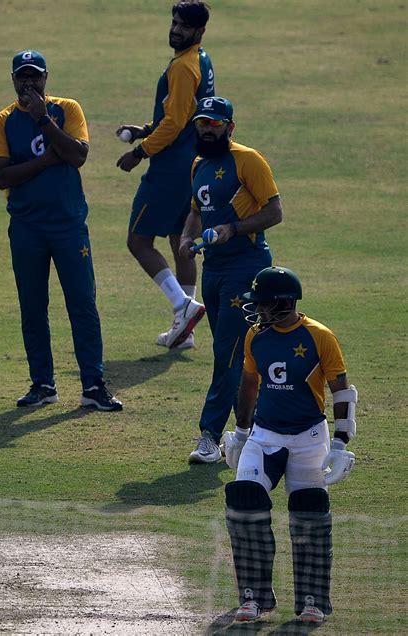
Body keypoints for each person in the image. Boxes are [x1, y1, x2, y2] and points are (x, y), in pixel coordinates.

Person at [0, 49, 122, 411]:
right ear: (13, 79)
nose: (28, 82)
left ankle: (93, 385)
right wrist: (47, 159)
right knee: (33, 306)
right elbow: (0, 175)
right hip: (27, 227)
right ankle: (43, 384)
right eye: (22, 76)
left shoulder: (67, 109)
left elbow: (78, 155)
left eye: (35, 76)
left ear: (46, 78)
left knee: (82, 304)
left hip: (68, 226)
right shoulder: (2, 122)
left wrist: (43, 120)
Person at [222, 266, 357, 624]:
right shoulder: (256, 336)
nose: (258, 311)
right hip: (264, 435)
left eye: (263, 305)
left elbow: (341, 390)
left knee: (309, 510)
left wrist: (341, 442)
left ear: (284, 303)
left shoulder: (320, 336)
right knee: (244, 499)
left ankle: (313, 600)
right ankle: (253, 597)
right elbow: (250, 384)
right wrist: (240, 431)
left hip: (309, 437)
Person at [179, 96, 283, 463]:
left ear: (230, 126)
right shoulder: (198, 164)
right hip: (215, 269)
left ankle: (209, 435)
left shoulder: (248, 160)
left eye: (215, 123)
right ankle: (255, 429)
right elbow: (195, 210)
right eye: (202, 123)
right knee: (236, 356)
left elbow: (275, 211)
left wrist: (232, 229)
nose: (208, 129)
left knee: (227, 353)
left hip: (246, 266)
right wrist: (186, 238)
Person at [116, 1, 214, 349]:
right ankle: (183, 330)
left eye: (184, 26)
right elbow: (183, 117)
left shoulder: (184, 68)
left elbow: (174, 124)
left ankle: (182, 306)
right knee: (180, 243)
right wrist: (145, 129)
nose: (176, 29)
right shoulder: (201, 59)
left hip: (171, 169)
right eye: (174, 22)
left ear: (199, 31)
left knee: (139, 240)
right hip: (193, 165)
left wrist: (140, 151)